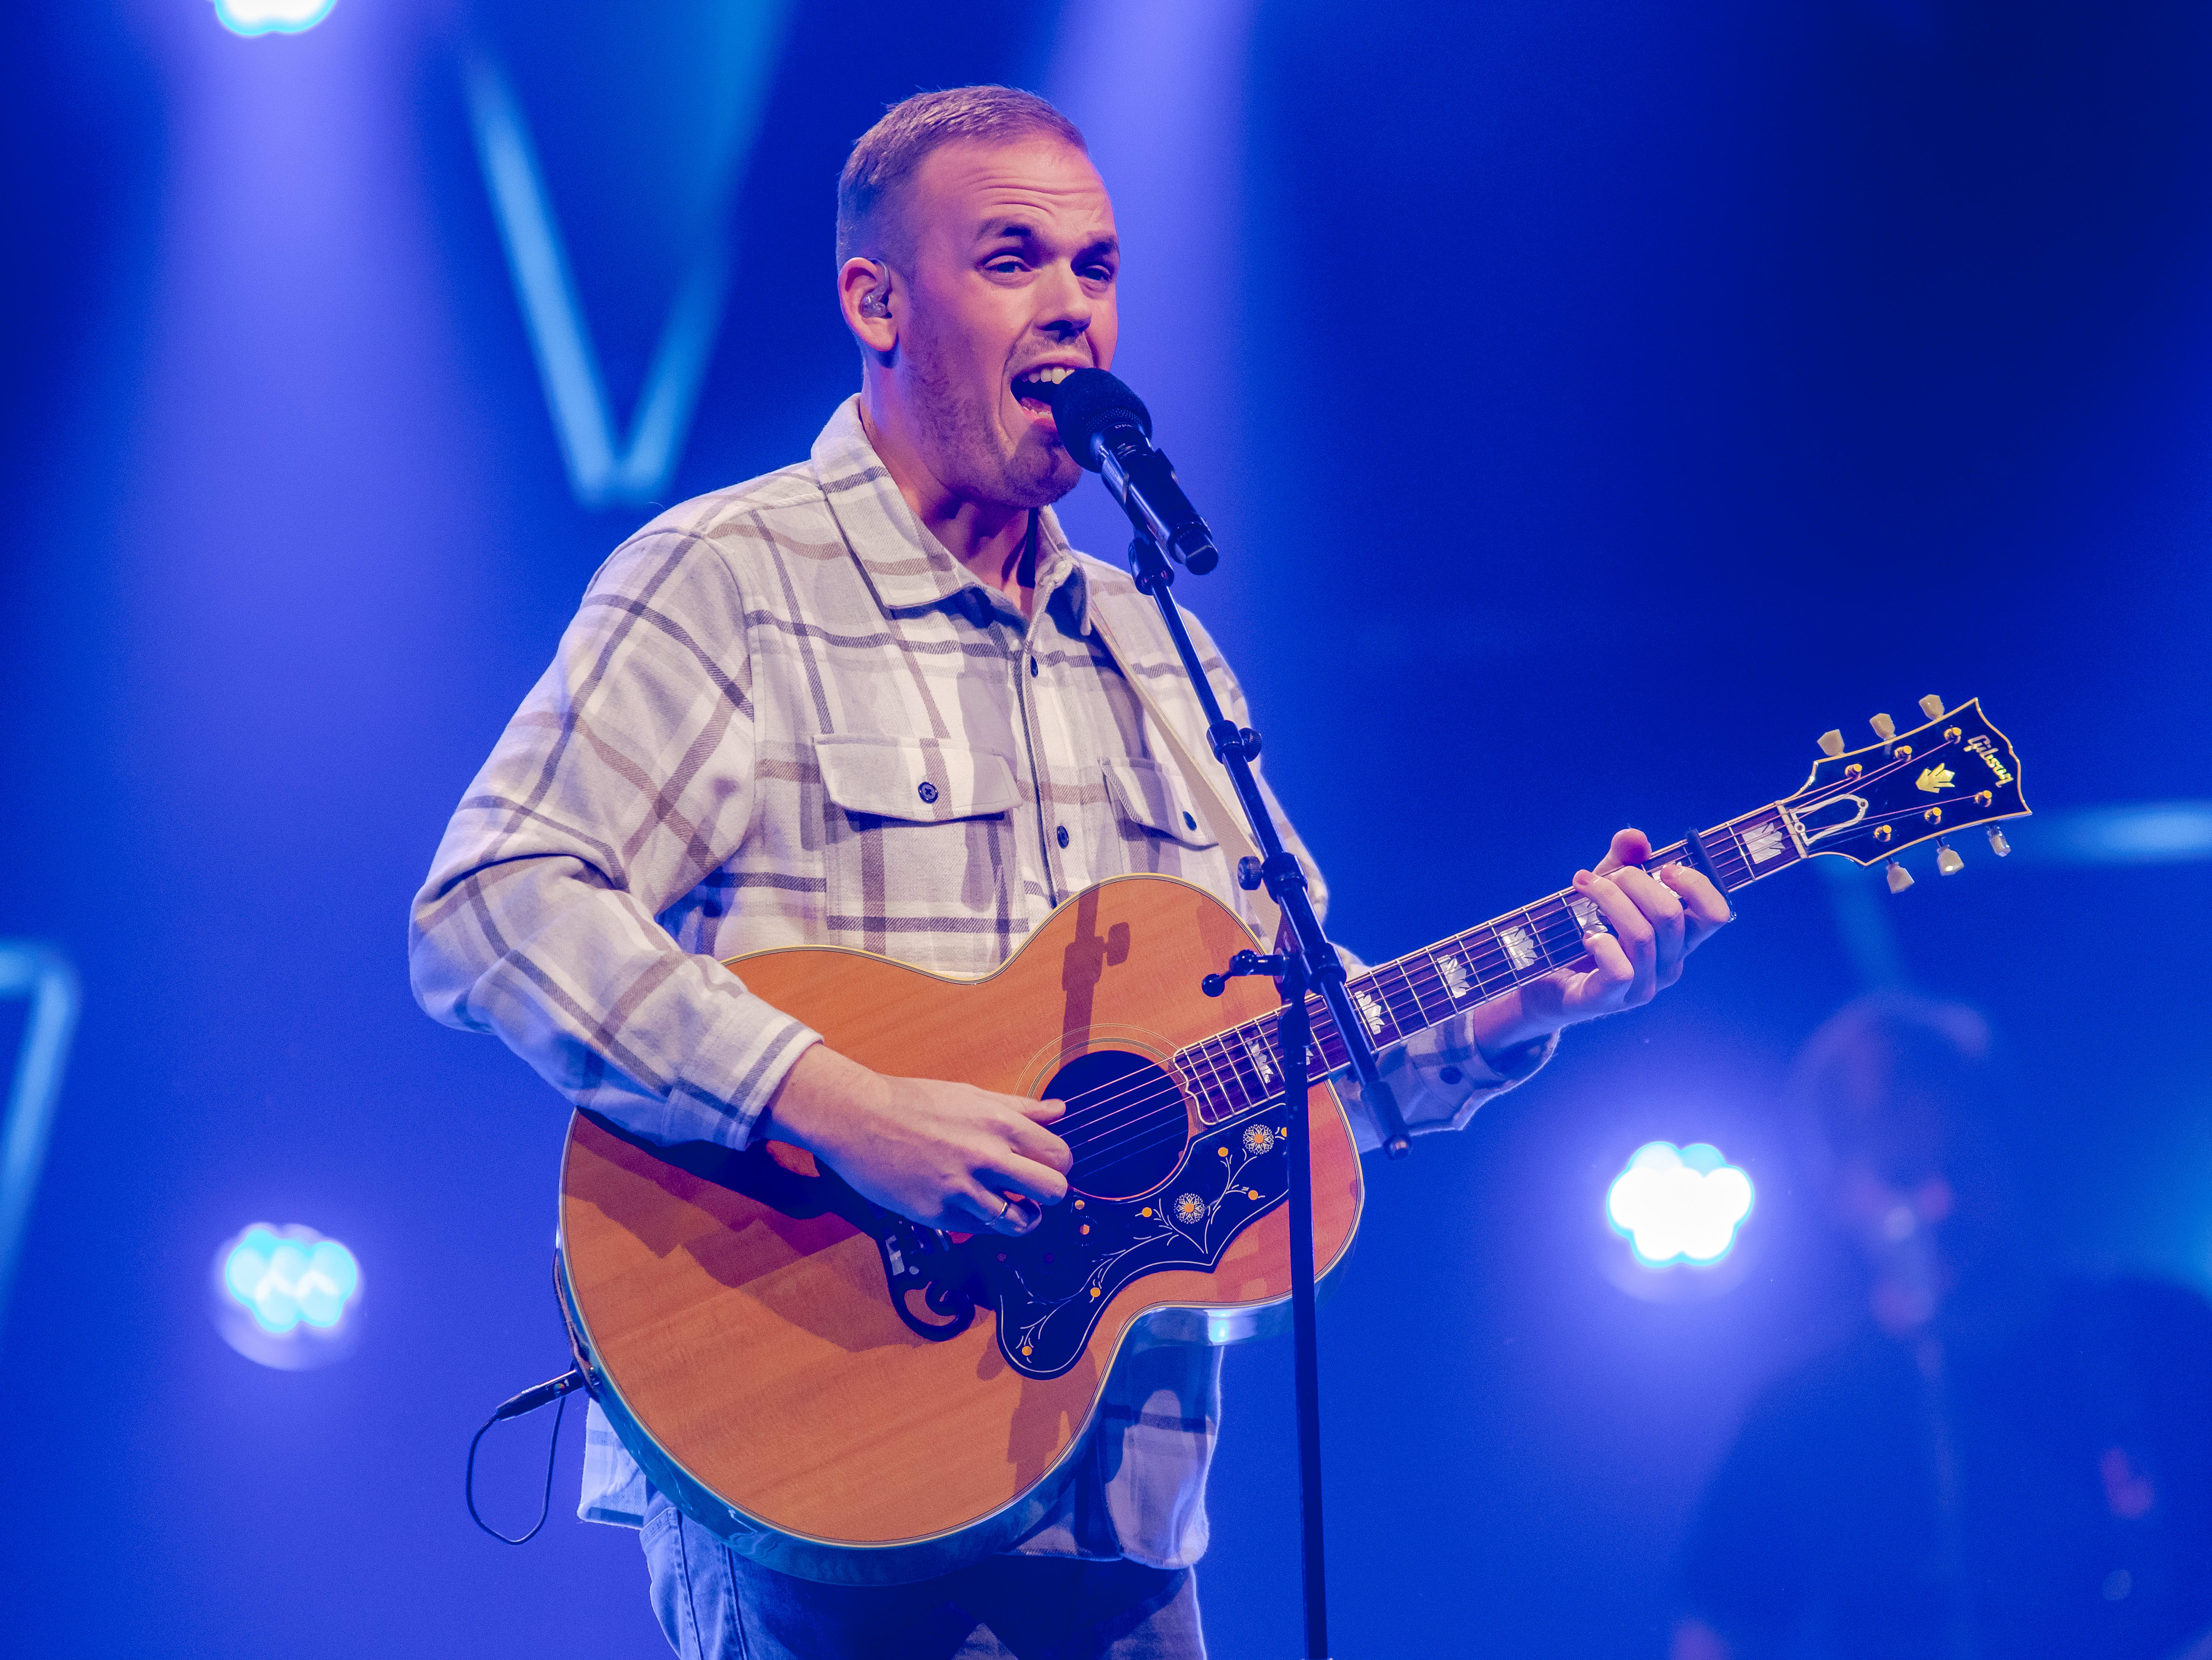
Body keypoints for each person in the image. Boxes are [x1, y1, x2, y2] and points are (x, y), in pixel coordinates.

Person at [410, 86, 1730, 1660]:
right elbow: (491, 905)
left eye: (1096, 267)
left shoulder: (1161, 656)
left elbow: (1296, 1060)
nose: (1070, 305)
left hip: (1121, 1514)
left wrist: (1530, 1003)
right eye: (1011, 259)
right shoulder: (730, 580)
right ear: (876, 301)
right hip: (818, 1474)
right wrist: (838, 1102)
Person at [1672, 994, 2212, 1660]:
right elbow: (1716, 1637)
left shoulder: (2166, 1336)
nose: (1940, 1202)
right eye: (1901, 1174)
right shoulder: (1798, 1415)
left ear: (2010, 1143)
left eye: (1961, 1160)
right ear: (1835, 1194)